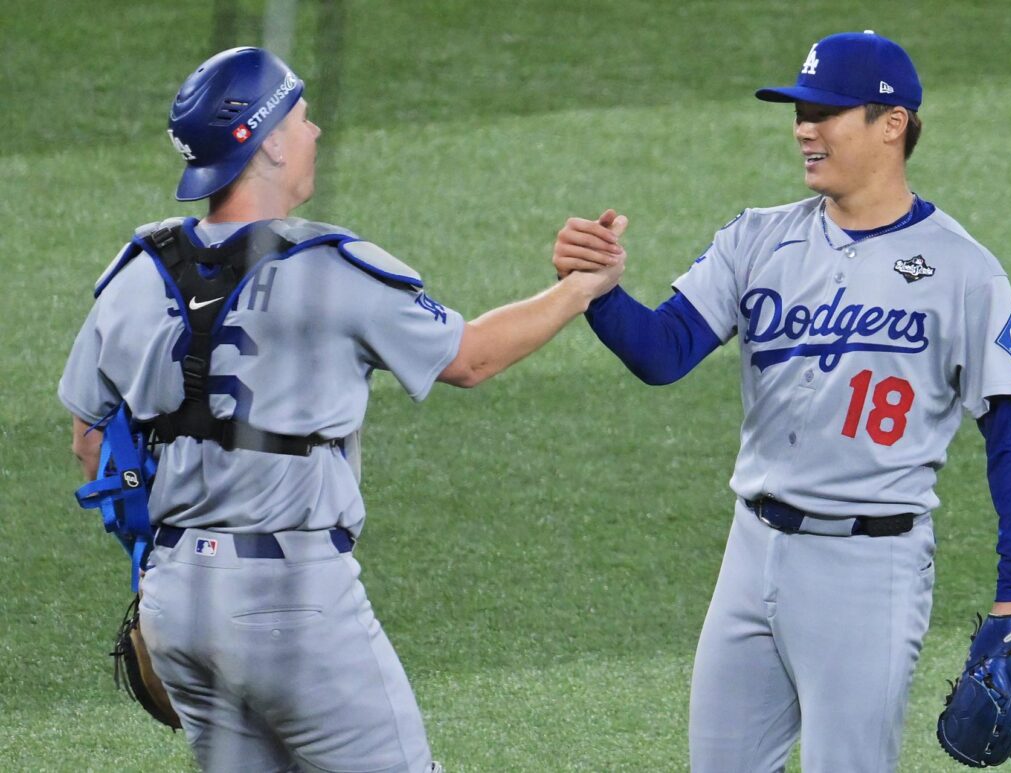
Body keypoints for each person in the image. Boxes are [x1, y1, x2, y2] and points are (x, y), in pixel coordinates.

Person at [60, 47, 623, 773]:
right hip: (291, 602)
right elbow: (472, 358)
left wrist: (165, 562)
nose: (315, 131)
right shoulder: (330, 267)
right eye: (301, 118)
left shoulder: (133, 272)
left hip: (175, 602)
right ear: (267, 144)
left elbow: (90, 443)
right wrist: (580, 288)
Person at [553, 31, 1011, 773]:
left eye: (825, 113)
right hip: (750, 551)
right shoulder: (756, 238)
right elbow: (664, 352)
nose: (803, 129)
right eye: (799, 112)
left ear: (892, 124)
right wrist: (597, 292)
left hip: (869, 569)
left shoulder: (964, 271)